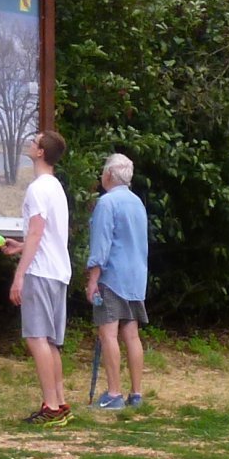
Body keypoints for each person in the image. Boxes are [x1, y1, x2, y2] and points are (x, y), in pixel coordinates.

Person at [0, 129, 74, 424]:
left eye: (35, 141)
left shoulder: (37, 189)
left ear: (41, 152)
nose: (31, 143)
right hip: (58, 271)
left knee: (35, 338)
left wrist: (20, 276)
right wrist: (20, 247)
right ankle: (60, 401)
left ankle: (51, 408)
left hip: (41, 273)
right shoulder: (55, 187)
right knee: (50, 341)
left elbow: (36, 231)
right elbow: (44, 236)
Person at [84, 151, 150, 410]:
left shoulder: (107, 203)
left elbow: (101, 245)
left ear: (109, 174)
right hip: (136, 276)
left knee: (108, 332)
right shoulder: (137, 203)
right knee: (131, 334)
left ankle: (113, 394)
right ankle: (136, 394)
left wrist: (93, 280)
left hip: (112, 277)